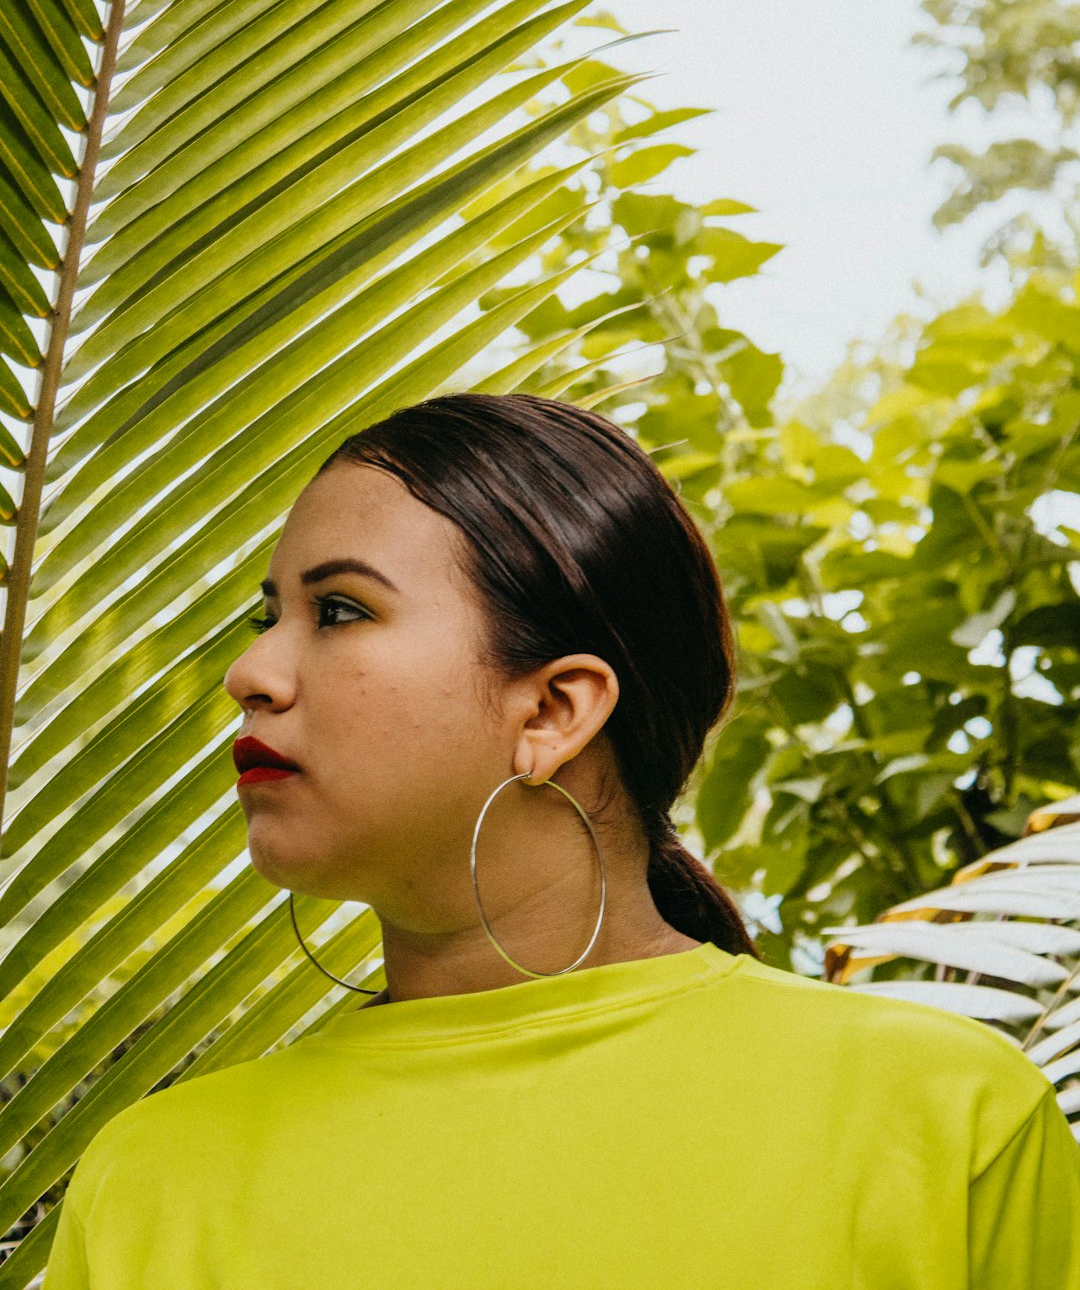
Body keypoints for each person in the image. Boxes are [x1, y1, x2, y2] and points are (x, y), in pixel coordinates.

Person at [43, 392, 1080, 1287]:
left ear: (553, 711)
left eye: (341, 610)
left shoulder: (945, 1122)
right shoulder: (149, 1184)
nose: (254, 672)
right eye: (268, 614)